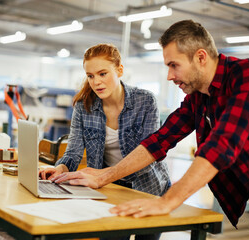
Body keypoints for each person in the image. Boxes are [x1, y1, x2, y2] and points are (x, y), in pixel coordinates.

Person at [52, 20, 249, 239]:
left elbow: (223, 143)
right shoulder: (198, 99)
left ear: (201, 57)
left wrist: (168, 200)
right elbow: (159, 141)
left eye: (174, 65)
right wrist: (103, 176)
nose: (169, 76)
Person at [40, 43, 170, 240]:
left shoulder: (145, 101)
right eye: (90, 76)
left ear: (119, 70)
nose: (96, 82)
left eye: (103, 73)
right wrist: (61, 169)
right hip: (111, 189)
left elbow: (146, 160)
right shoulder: (84, 106)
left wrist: (100, 175)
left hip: (149, 190)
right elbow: (73, 152)